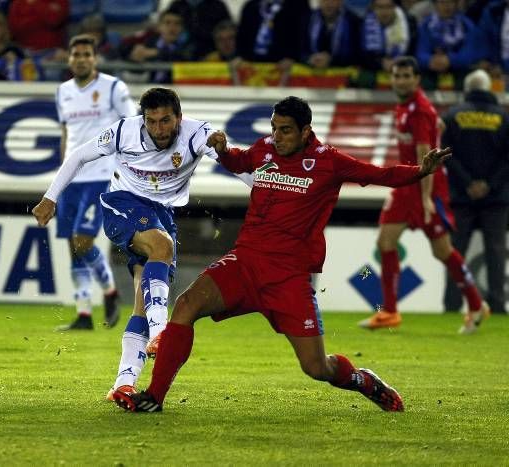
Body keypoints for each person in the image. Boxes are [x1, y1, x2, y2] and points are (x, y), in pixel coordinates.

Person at [112, 96, 453, 414]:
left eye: (285, 130)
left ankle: (362, 380)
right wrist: (222, 149)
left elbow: (377, 174)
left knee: (317, 368)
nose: (277, 136)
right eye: (274, 128)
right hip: (245, 263)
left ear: (306, 131)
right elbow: (239, 160)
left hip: (288, 278)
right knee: (185, 306)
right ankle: (154, 397)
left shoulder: (329, 161)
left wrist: (419, 171)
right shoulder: (264, 149)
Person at [32, 88, 250, 399]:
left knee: (141, 298)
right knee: (162, 248)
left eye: (166, 121)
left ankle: (123, 381)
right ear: (143, 119)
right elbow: (79, 155)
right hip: (123, 202)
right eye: (152, 121)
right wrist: (49, 198)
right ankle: (161, 333)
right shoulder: (124, 132)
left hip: (163, 214)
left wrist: (266, 194)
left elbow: (238, 166)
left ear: (179, 117)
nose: (159, 129)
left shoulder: (198, 134)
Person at [359, 56, 489, 334]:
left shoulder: (418, 110)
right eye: (397, 75)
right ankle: (390, 311)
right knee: (385, 241)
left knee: (442, 251)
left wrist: (427, 197)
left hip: (424, 188)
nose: (401, 80)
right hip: (407, 187)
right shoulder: (409, 107)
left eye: (407, 76)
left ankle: (477, 304)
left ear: (417, 79)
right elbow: (434, 130)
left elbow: (425, 156)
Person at [52, 34, 136, 331]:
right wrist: (62, 175)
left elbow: (131, 128)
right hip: (73, 179)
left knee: (81, 240)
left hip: (101, 176)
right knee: (71, 247)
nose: (81, 59)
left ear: (95, 58)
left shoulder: (113, 87)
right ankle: (84, 313)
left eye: (87, 54)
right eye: (76, 54)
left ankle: (110, 292)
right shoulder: (62, 91)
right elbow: (66, 134)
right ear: (69, 59)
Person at [441, 69, 509, 315]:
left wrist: (469, 183)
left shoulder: (452, 116)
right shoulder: (503, 117)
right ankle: (499, 305)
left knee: (455, 251)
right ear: (489, 89)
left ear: (467, 90)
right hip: (496, 197)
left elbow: (445, 155)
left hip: (461, 196)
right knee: (496, 251)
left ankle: (451, 304)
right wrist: (488, 184)